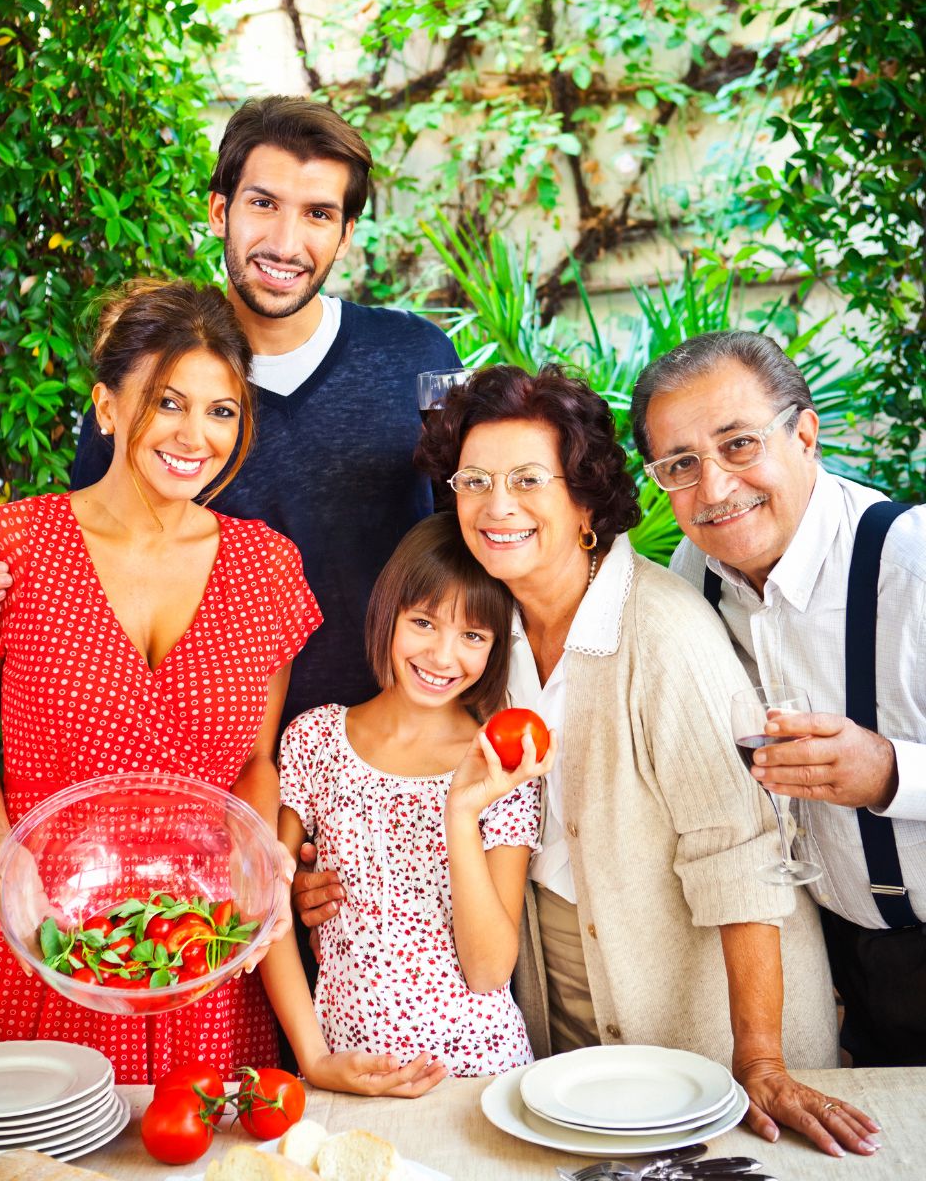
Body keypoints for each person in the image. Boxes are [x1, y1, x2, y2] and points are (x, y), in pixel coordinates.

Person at [299, 363, 876, 1157]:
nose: (495, 506)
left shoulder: (662, 633)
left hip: (704, 1012)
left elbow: (742, 857)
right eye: (474, 481)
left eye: (527, 480)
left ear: (584, 500)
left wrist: (761, 1060)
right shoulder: (480, 636)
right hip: (552, 1001)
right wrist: (326, 872)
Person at [0, 97, 460, 730]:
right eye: (263, 204)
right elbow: (87, 572)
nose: (286, 243)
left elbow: (470, 539)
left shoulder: (420, 356)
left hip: (384, 760)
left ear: (344, 234)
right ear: (218, 211)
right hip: (208, 770)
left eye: (318, 214)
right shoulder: (151, 372)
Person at [0, 279, 321, 1082]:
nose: (195, 435)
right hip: (36, 937)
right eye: (166, 402)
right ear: (107, 406)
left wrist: (256, 864)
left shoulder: (267, 568)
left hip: (199, 953)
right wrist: (3, 853)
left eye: (221, 410)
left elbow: (256, 763)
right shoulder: (13, 542)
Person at [631, 329, 926, 1068]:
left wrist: (892, 774)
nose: (716, 488)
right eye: (681, 464)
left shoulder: (912, 565)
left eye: (738, 445)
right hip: (841, 965)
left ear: (804, 433)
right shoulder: (694, 573)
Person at [260, 512, 554, 1096]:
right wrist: (313, 1059)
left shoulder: (502, 761)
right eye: (423, 622)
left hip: (481, 1076)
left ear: (498, 646)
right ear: (387, 613)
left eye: (473, 636)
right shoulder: (315, 740)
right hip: (346, 1069)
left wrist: (461, 814)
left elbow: (490, 969)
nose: (443, 657)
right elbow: (264, 912)